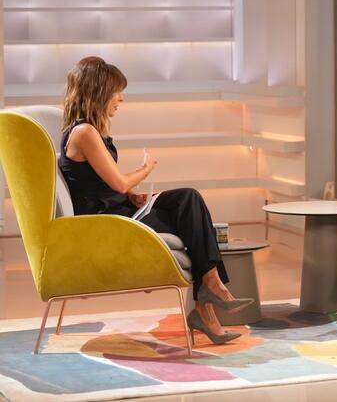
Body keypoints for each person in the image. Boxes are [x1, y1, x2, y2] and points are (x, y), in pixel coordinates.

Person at [59, 56, 254, 345]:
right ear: (100, 91)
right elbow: (118, 182)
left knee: (188, 198)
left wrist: (131, 195)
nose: (121, 98)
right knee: (192, 224)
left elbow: (101, 183)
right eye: (117, 91)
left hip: (119, 208)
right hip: (107, 222)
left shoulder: (89, 131)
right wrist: (145, 169)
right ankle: (209, 300)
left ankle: (210, 291)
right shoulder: (84, 132)